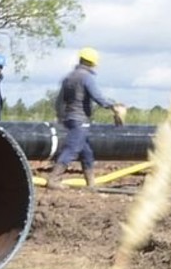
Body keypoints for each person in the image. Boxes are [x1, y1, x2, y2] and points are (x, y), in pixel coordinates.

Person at [46, 47, 126, 189]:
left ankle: (91, 183)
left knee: (86, 152)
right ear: (93, 63)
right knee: (72, 148)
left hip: (69, 118)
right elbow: (98, 97)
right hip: (80, 120)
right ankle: (53, 179)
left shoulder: (69, 77)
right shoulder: (86, 77)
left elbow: (59, 100)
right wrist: (113, 106)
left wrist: (60, 116)